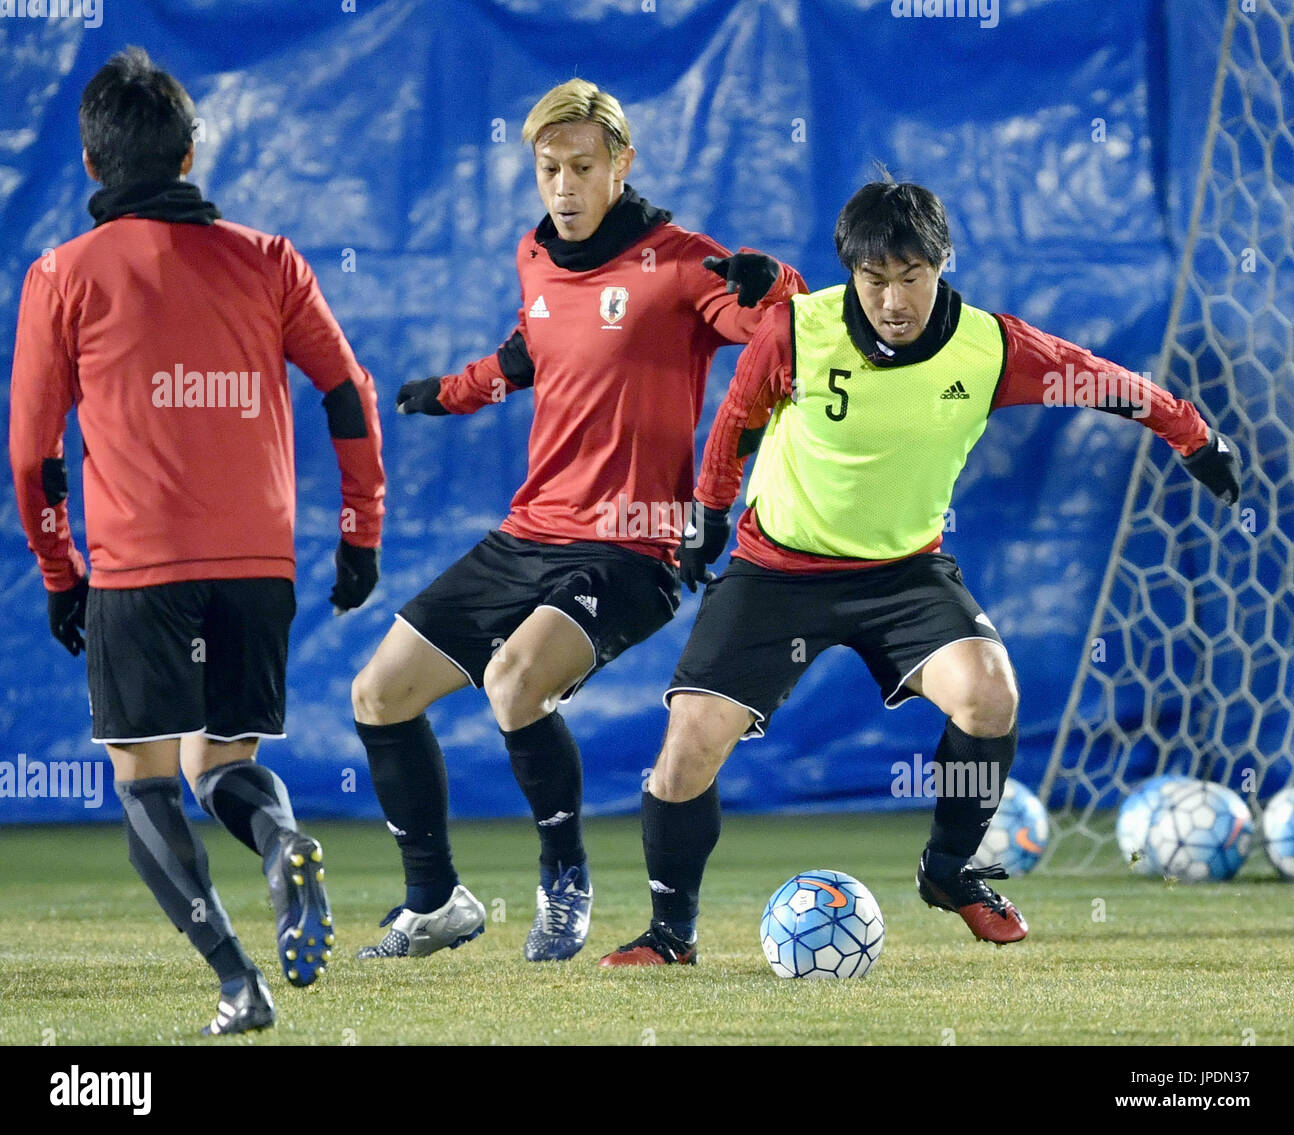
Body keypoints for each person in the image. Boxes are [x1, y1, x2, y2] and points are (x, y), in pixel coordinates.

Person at [598, 178, 1242, 966]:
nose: (893, 298)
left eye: (911, 276)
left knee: (989, 693)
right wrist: (708, 514)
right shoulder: (795, 331)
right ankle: (671, 933)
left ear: (943, 263)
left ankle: (949, 868)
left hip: (905, 573)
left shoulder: (990, 346)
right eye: (874, 279)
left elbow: (1100, 378)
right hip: (775, 570)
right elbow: (738, 421)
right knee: (686, 747)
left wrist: (1193, 436)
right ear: (851, 274)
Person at [350, 77, 806, 964]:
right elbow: (528, 353)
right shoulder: (533, 256)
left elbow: (778, 330)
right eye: (548, 168)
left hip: (633, 548)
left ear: (621, 164)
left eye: (582, 166)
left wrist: (774, 280)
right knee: (378, 692)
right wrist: (450, 393)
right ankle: (435, 899)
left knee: (516, 681)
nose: (563, 185)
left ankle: (564, 879)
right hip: (530, 533)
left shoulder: (680, 262)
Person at [8, 48, 386, 1034]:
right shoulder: (270, 260)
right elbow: (347, 393)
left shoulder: (60, 275)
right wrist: (361, 532)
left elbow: (31, 456)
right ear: (187, 154)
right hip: (258, 568)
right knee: (221, 765)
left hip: (137, 572)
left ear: (91, 165)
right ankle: (279, 841)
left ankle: (237, 981)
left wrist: (61, 573)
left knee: (142, 781)